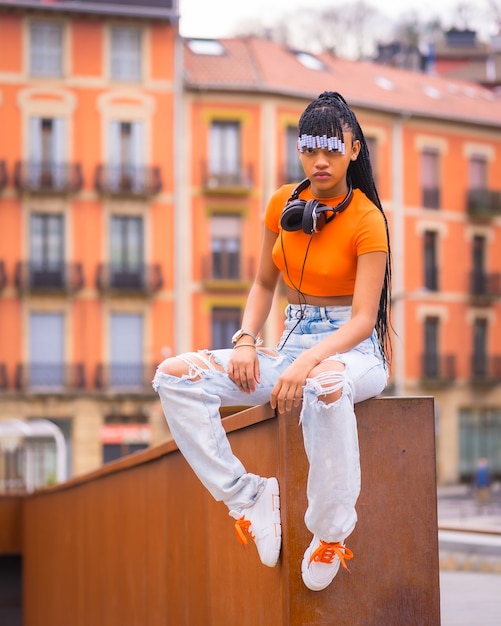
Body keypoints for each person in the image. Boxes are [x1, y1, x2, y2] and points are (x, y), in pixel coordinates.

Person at [153, 91, 392, 591]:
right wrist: (245, 340)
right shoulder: (282, 204)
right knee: (174, 377)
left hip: (351, 352)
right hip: (287, 344)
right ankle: (247, 497)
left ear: (354, 149)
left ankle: (329, 535)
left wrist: (308, 363)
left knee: (325, 387)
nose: (319, 160)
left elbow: (365, 319)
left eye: (332, 148)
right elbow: (264, 284)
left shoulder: (369, 221)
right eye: (309, 149)